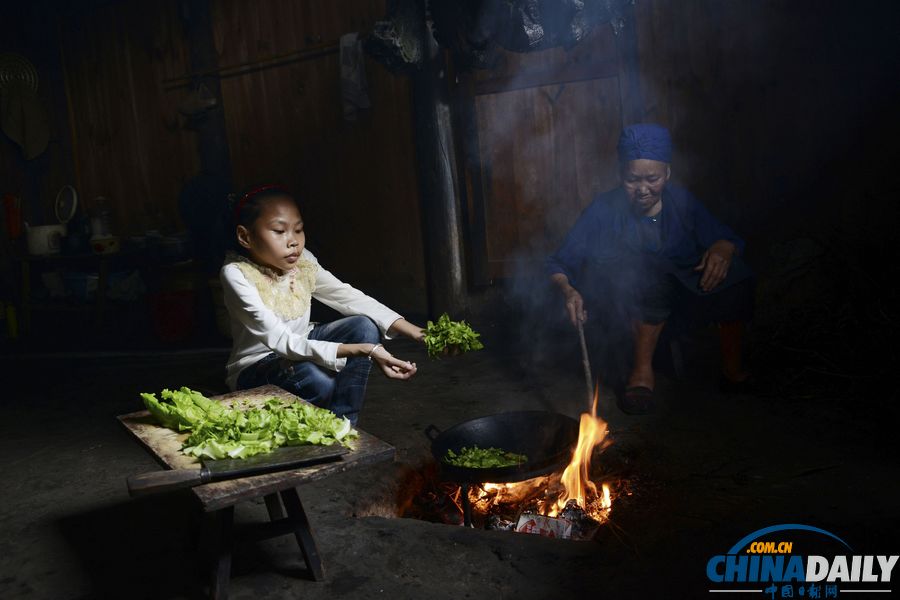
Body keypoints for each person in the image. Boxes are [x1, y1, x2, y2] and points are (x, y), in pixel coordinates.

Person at [547, 124, 754, 414]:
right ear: (621, 175)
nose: (643, 189)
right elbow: (560, 262)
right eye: (632, 180)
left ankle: (732, 371)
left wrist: (723, 247)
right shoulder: (603, 210)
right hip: (625, 310)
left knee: (737, 276)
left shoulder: (682, 203)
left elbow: (726, 238)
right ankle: (641, 374)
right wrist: (568, 290)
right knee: (648, 274)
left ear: (667, 174)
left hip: (682, 304)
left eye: (652, 179)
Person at [220, 184, 424, 425]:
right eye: (279, 230)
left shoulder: (303, 262)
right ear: (245, 236)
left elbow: (347, 296)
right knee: (316, 381)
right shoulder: (236, 274)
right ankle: (329, 428)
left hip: (301, 346)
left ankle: (344, 423)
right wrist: (366, 350)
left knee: (363, 326)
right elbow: (283, 342)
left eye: (298, 230)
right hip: (258, 365)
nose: (293, 241)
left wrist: (419, 333)